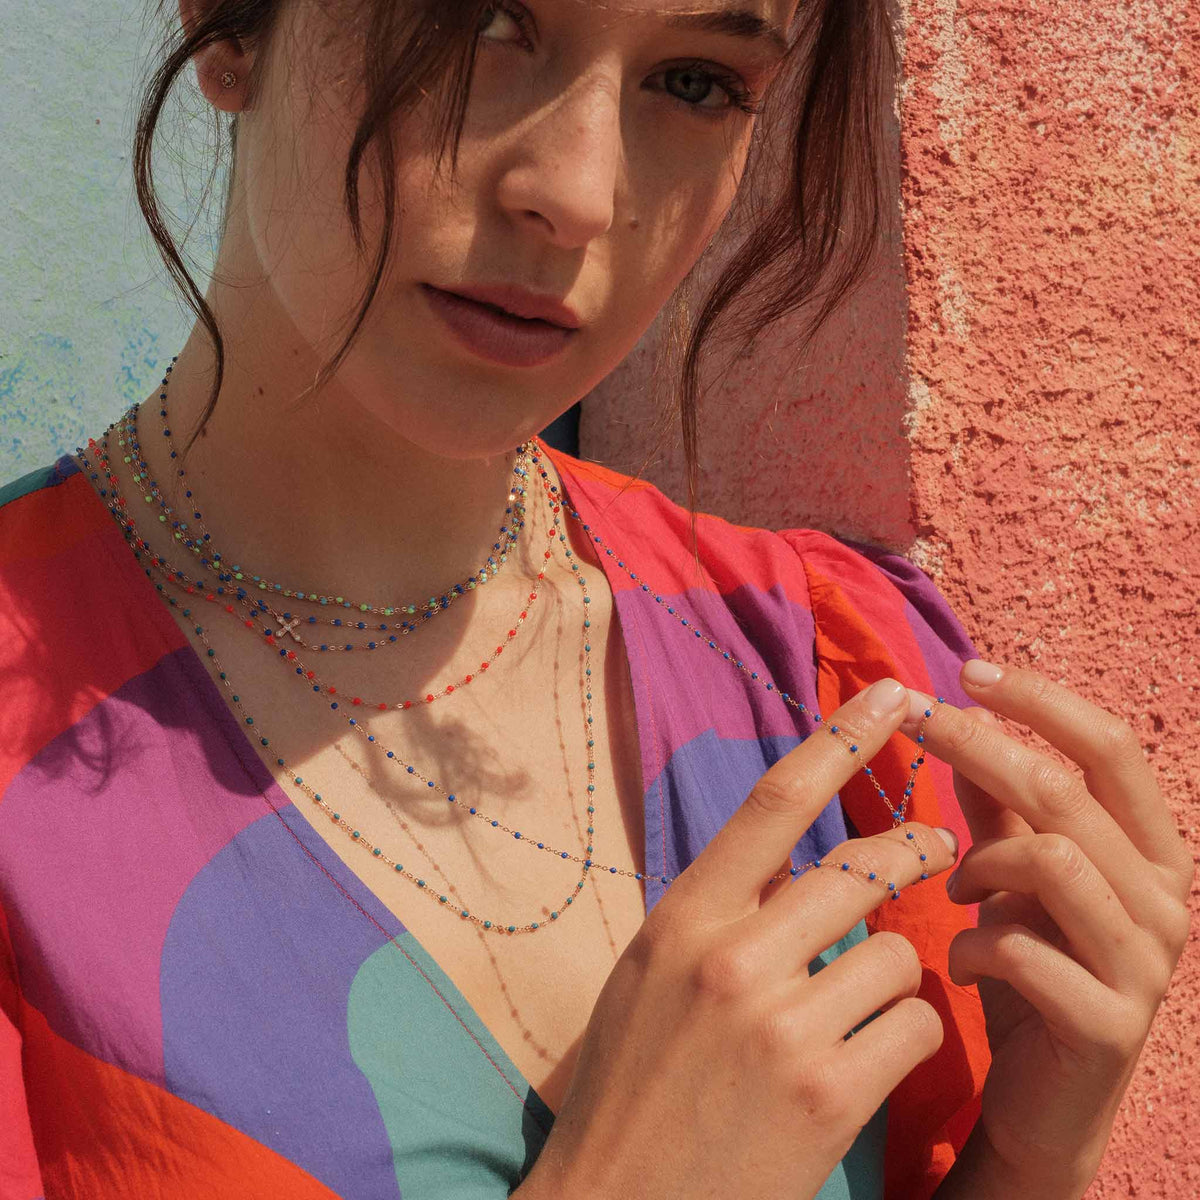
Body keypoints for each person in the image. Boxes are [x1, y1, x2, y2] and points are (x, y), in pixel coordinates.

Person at [0, 1, 1190, 1198]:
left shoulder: (824, 678)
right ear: (226, 25)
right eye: (479, 22)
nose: (575, 195)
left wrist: (1024, 1163)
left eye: (696, 82)